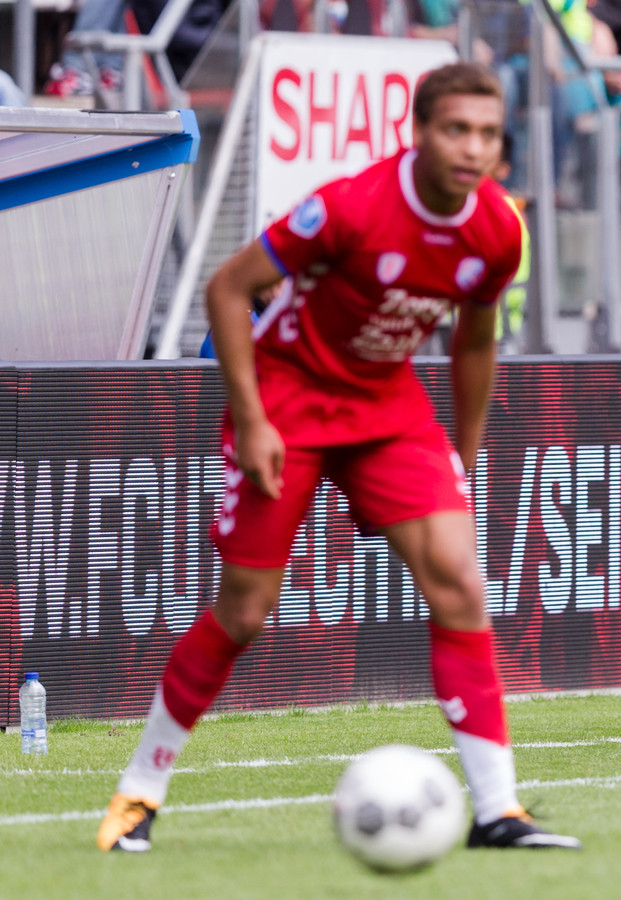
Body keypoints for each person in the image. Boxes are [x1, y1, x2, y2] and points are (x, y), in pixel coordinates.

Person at [97, 63, 580, 853]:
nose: (473, 148)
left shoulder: (497, 229)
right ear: (419, 132)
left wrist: (458, 457)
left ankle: (499, 810)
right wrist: (251, 422)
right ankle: (139, 792)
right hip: (288, 399)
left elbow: (475, 342)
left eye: (488, 134)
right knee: (245, 611)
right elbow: (226, 288)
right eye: (456, 129)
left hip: (388, 407)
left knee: (461, 580)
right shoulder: (352, 207)